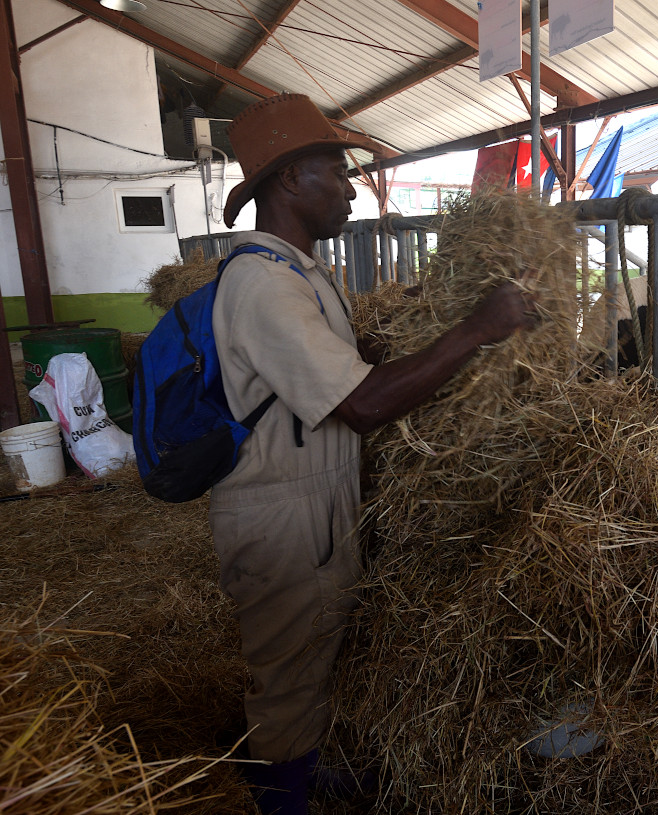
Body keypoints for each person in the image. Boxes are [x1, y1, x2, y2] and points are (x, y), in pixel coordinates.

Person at [212, 93, 537, 814]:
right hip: (282, 512)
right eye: (336, 168)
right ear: (292, 181)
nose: (353, 186)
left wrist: (435, 314)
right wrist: (477, 329)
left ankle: (304, 764)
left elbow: (349, 363)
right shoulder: (264, 285)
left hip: (314, 497)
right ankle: (280, 796)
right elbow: (361, 404)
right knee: (287, 669)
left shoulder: (300, 273)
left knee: (316, 653)